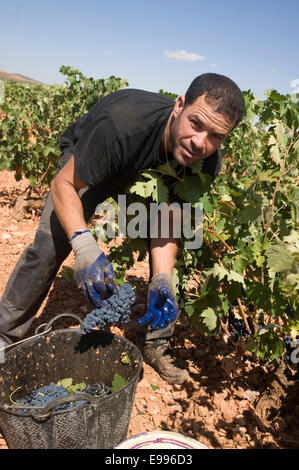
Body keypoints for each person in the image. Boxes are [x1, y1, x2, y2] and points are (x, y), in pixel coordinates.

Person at [0, 73, 245, 384]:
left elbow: (167, 217)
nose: (201, 142)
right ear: (179, 105)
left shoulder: (204, 162)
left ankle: (157, 340)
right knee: (52, 244)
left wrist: (162, 278)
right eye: (196, 123)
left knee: (185, 246)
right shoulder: (122, 126)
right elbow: (63, 184)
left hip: (142, 184)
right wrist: (85, 246)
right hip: (93, 165)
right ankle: (5, 334)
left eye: (216, 136)